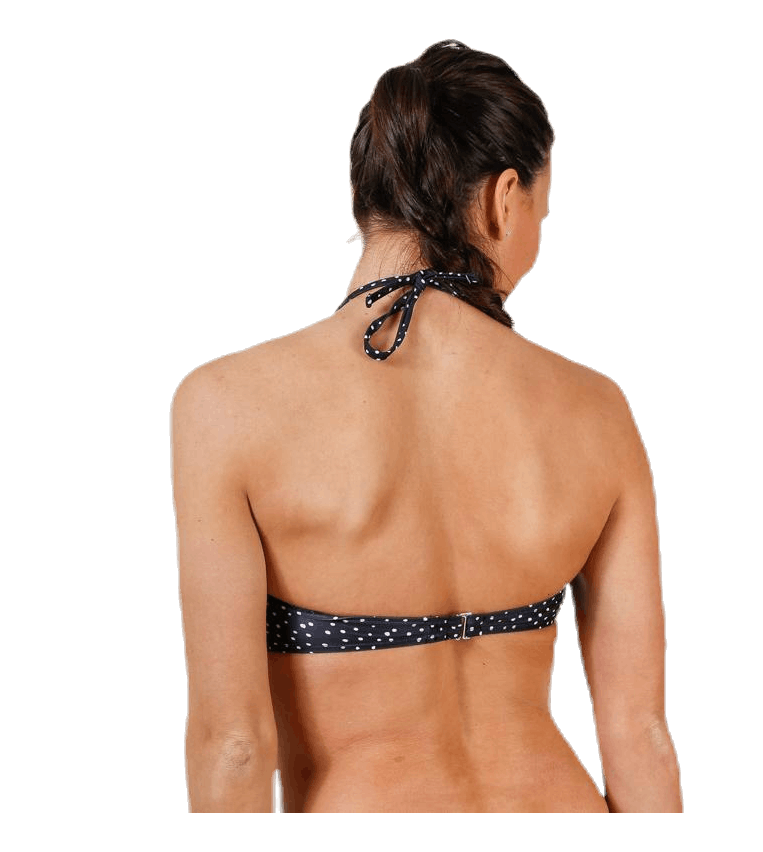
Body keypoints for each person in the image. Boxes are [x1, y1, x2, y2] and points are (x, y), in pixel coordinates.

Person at [172, 38, 683, 813]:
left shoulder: (226, 404)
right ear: (504, 198)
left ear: (367, 197)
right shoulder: (597, 408)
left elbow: (234, 745)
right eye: (543, 208)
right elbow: (640, 736)